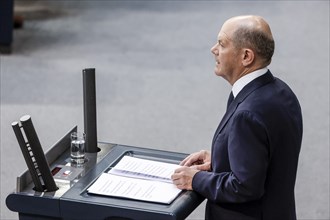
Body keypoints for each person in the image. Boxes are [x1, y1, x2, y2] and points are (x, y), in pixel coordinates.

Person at [171, 15, 303, 220]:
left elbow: (244, 187)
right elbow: (268, 157)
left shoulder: (247, 114)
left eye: (222, 44)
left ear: (246, 57)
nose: (213, 49)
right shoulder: (282, 92)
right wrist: (220, 158)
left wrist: (195, 179)